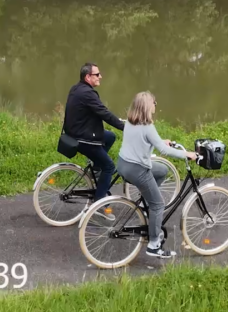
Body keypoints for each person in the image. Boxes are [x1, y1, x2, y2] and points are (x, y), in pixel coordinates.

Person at [117, 91, 197, 259]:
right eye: (154, 103)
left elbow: (143, 143)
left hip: (124, 165)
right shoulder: (147, 126)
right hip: (137, 169)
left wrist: (161, 142)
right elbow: (163, 150)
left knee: (162, 170)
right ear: (147, 106)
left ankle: (147, 203)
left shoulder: (131, 122)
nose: (155, 106)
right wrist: (186, 154)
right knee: (158, 205)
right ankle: (154, 246)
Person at [62, 62, 125, 202]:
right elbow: (105, 114)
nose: (100, 77)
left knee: (110, 136)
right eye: (97, 74)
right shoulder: (88, 94)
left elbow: (94, 112)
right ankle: (98, 204)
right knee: (109, 167)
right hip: (84, 138)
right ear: (87, 77)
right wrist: (125, 127)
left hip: (74, 133)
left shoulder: (76, 88)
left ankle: (96, 170)